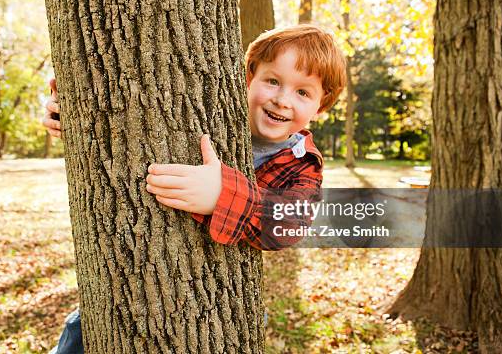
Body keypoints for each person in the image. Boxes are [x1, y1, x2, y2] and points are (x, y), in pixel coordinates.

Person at [42, 24, 347, 353]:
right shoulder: (208, 109)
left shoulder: (302, 163)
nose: (282, 99)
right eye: (272, 81)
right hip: (123, 285)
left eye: (303, 92)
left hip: (218, 305)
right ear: (249, 77)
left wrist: (222, 195)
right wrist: (76, 115)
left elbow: (288, 224)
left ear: (321, 105)